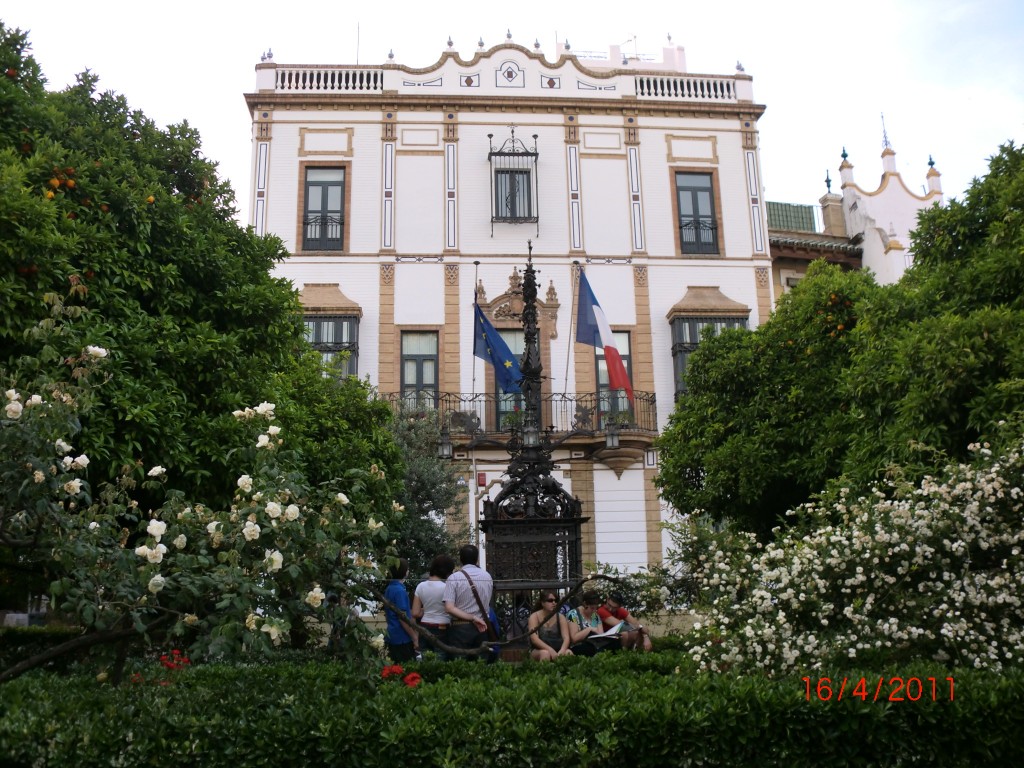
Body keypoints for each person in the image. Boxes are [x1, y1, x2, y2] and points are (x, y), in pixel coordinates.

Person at [442, 544, 493, 660]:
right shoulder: (487, 577)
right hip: (483, 627)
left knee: (460, 665)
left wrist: (472, 617)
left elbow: (449, 608)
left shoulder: (454, 578)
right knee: (481, 665)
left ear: (461, 559)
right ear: (477, 559)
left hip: (460, 628)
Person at [412, 553, 455, 659]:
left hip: (424, 626)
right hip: (442, 627)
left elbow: (415, 613)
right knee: (441, 659)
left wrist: (426, 609)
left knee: (426, 660)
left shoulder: (421, 586)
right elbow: (451, 609)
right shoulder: (447, 587)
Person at [383, 558, 419, 662]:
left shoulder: (389, 588)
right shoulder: (399, 591)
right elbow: (403, 618)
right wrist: (414, 637)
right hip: (402, 637)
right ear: (404, 572)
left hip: (392, 634)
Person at [528, 591, 573, 661]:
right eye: (550, 600)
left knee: (568, 653)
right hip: (539, 649)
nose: (554, 603)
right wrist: (550, 650)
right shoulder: (534, 617)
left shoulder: (560, 617)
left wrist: (562, 650)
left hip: (558, 648)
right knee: (545, 653)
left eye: (556, 600)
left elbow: (566, 637)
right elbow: (534, 639)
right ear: (542, 603)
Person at [566, 592, 613, 656]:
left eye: (596, 608)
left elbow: (601, 634)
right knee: (590, 649)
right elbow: (574, 638)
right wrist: (589, 629)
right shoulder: (573, 614)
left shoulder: (595, 616)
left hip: (594, 644)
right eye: (592, 608)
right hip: (579, 646)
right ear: (585, 604)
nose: (594, 611)